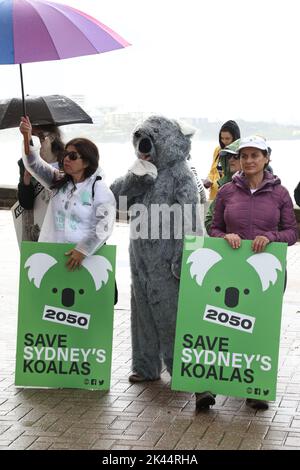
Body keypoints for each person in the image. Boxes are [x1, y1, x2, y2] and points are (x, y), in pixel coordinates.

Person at [196, 135, 298, 411]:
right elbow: (212, 227)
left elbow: (292, 232)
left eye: (255, 155)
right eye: (244, 156)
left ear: (266, 158)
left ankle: (255, 387)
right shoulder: (227, 191)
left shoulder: (281, 193)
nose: (249, 160)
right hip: (228, 272)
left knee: (258, 329)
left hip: (265, 273)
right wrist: (225, 235)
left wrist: (271, 236)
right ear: (238, 161)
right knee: (217, 327)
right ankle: (206, 386)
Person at [19, 116, 116, 269]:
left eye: (73, 156)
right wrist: (27, 137)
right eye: (65, 155)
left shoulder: (100, 190)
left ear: (87, 162)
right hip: (52, 255)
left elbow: (104, 226)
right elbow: (33, 164)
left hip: (86, 260)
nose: (66, 160)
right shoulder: (58, 180)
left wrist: (82, 251)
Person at [17, 124, 65, 241]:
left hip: (64, 226)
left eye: (40, 137)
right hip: (41, 228)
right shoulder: (25, 163)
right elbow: (26, 204)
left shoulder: (68, 159)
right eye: (32, 137)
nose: (37, 143)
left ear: (53, 137)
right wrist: (26, 181)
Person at [203, 120, 241, 201]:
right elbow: (213, 171)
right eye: (222, 138)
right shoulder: (218, 150)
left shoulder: (240, 154)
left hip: (230, 198)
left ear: (235, 138)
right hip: (214, 197)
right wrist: (208, 179)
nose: (224, 142)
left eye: (227, 138)